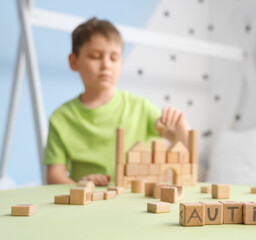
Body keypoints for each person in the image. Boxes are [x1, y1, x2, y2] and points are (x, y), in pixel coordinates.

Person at [44, 17, 190, 186]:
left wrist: (180, 123)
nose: (106, 64)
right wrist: (81, 185)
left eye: (114, 58)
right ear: (74, 61)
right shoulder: (61, 118)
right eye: (95, 56)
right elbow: (54, 175)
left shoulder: (141, 107)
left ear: (121, 63)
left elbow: (181, 142)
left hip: (139, 202)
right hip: (91, 204)